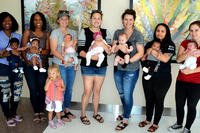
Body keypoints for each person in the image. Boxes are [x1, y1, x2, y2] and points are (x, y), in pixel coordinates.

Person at [138, 23, 175, 132]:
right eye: (158, 30)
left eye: (162, 31)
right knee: (149, 99)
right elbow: (143, 58)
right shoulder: (149, 43)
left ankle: (155, 123)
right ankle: (148, 119)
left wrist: (152, 51)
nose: (159, 33)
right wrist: (146, 68)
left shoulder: (170, 44)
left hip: (163, 78)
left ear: (166, 32)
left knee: (159, 100)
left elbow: (165, 59)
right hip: (148, 76)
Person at [112, 9, 144, 131]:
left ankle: (125, 119)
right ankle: (127, 112)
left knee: (127, 95)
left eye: (130, 19)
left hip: (131, 69)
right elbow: (112, 50)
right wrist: (118, 47)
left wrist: (128, 61)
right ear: (122, 20)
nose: (128, 21)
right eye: (126, 19)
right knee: (121, 93)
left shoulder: (138, 35)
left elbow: (140, 53)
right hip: (117, 69)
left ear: (134, 20)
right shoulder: (117, 33)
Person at [78, 10, 111, 125]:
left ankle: (95, 113)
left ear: (101, 20)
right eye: (94, 18)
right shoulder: (84, 31)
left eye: (99, 18)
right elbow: (80, 51)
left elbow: (110, 51)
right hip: (87, 66)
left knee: (97, 91)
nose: (96, 20)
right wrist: (92, 58)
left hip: (101, 67)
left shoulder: (106, 33)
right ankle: (83, 114)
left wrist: (102, 44)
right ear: (90, 19)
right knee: (87, 91)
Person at [168, 20, 200, 133]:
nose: (193, 33)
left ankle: (187, 128)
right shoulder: (185, 43)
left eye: (196, 30)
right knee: (179, 104)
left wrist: (191, 72)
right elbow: (178, 59)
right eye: (191, 30)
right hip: (181, 80)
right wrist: (189, 53)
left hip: (197, 83)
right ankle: (179, 123)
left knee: (191, 106)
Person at [22, 11, 50, 123]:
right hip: (29, 66)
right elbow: (23, 49)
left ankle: (42, 111)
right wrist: (28, 61)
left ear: (43, 21)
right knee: (33, 89)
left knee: (42, 89)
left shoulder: (46, 34)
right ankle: (36, 112)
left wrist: (39, 50)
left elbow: (48, 51)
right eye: (35, 19)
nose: (38, 22)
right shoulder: (27, 32)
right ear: (32, 21)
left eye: (40, 19)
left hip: (42, 65)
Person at [50, 10, 77, 122]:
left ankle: (66, 109)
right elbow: (53, 50)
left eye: (66, 19)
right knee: (62, 88)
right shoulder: (55, 33)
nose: (64, 21)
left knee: (69, 89)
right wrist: (65, 59)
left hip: (71, 65)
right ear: (58, 20)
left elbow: (74, 49)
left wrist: (72, 59)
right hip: (60, 65)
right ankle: (59, 112)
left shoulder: (73, 32)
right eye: (62, 19)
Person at [0, 12, 23, 127]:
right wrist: (9, 52)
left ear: (13, 22)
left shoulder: (18, 36)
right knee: (5, 92)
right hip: (3, 67)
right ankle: (7, 115)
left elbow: (23, 51)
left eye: (9, 20)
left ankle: (13, 113)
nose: (7, 23)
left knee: (17, 90)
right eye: (4, 20)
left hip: (17, 67)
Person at [44, 64, 65, 129]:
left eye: (53, 73)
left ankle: (59, 119)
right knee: (50, 111)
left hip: (58, 99)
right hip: (50, 99)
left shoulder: (60, 80)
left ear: (57, 73)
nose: (51, 75)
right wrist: (49, 82)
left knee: (58, 111)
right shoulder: (48, 80)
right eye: (49, 73)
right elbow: (45, 89)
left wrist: (60, 89)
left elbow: (64, 88)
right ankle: (50, 121)